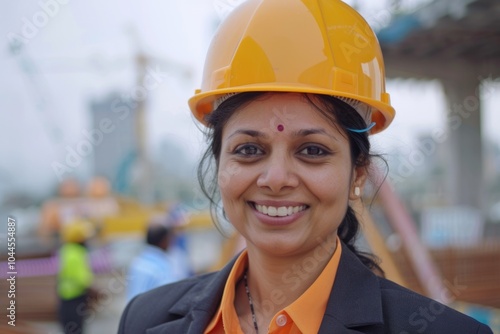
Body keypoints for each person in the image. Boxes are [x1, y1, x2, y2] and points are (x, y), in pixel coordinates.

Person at [118, 0, 493, 333]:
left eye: (312, 151)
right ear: (219, 164)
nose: (276, 179)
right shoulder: (145, 319)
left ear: (357, 173)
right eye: (249, 149)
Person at [57, 218, 95, 334]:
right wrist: (94, 290)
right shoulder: (77, 253)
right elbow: (82, 279)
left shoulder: (66, 250)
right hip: (74, 299)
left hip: (65, 298)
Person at [126, 224, 178, 301]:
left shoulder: (137, 262)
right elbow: (169, 297)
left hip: (133, 311)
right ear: (163, 241)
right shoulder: (161, 266)